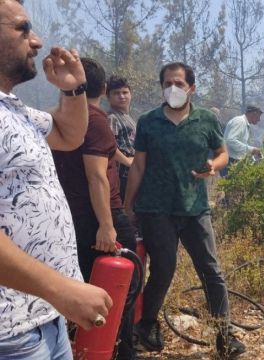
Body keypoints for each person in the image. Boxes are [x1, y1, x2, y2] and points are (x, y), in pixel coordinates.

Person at [0, 1, 112, 358]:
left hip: (43, 319)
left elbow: (68, 134)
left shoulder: (13, 110)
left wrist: (72, 90)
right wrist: (60, 289)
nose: (37, 41)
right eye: (22, 28)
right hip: (10, 332)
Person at [124, 62, 246, 358]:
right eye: (167, 83)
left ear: (192, 87)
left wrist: (214, 167)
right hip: (156, 209)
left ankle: (223, 334)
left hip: (195, 209)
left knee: (211, 271)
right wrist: (128, 208)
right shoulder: (149, 121)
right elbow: (138, 166)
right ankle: (148, 328)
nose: (173, 89)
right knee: (163, 271)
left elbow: (223, 154)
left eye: (179, 83)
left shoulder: (206, 120)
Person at [52, 57, 137, 360]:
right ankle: (121, 353)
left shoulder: (61, 118)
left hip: (71, 218)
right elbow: (96, 175)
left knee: (84, 287)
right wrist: (107, 225)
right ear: (102, 87)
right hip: (100, 217)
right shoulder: (96, 119)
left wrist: (134, 163)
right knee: (121, 290)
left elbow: (110, 152)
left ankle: (84, 350)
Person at [106, 75, 136, 201]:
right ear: (108, 96)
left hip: (132, 174)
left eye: (125, 92)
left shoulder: (128, 118)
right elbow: (108, 146)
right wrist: (127, 161)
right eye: (116, 93)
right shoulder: (112, 118)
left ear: (131, 94)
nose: (122, 96)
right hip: (121, 176)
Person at [220, 105, 263, 177]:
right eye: (259, 116)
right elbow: (231, 140)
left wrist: (252, 152)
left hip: (233, 161)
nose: (259, 119)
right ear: (253, 113)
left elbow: (239, 143)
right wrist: (251, 149)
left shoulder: (244, 123)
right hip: (230, 161)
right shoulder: (240, 121)